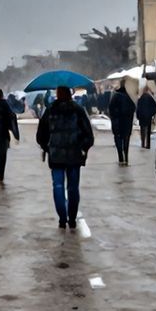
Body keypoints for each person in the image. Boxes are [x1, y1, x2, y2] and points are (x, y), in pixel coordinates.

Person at [36, 86, 95, 229]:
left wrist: (48, 148)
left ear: (57, 95)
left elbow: (40, 136)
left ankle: (62, 218)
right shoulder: (78, 110)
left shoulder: (50, 111)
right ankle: (72, 218)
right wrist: (83, 148)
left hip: (56, 157)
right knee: (73, 187)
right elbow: (89, 136)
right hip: (74, 156)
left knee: (58, 186)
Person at [109, 83, 137, 165]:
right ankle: (126, 157)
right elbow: (133, 109)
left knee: (118, 139)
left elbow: (111, 109)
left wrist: (114, 118)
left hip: (117, 123)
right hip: (127, 124)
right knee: (126, 140)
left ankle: (120, 157)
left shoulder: (114, 96)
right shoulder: (129, 98)